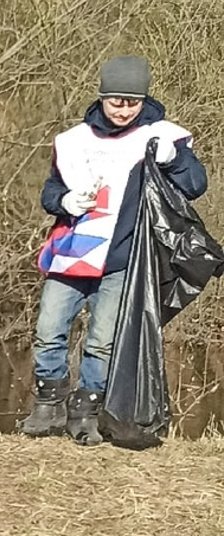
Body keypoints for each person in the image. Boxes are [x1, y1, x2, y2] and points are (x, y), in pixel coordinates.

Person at [19, 55, 206, 443]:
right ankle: (48, 405)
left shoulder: (161, 137)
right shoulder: (72, 141)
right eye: (116, 101)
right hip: (70, 256)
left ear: (143, 100)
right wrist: (64, 201)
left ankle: (86, 412)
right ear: (102, 97)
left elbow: (194, 185)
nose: (123, 110)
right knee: (48, 331)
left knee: (102, 342)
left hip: (121, 260)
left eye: (132, 102)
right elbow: (50, 192)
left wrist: (173, 160)